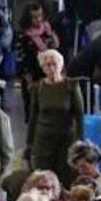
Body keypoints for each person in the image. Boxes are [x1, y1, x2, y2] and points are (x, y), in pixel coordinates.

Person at [25, 49, 84, 188]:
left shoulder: (71, 85)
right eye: (47, 65)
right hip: (43, 141)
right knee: (42, 180)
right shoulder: (37, 88)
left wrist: (79, 140)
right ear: (43, 67)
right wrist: (29, 143)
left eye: (54, 64)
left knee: (67, 178)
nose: (51, 68)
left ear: (61, 65)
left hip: (66, 140)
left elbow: (79, 115)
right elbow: (33, 117)